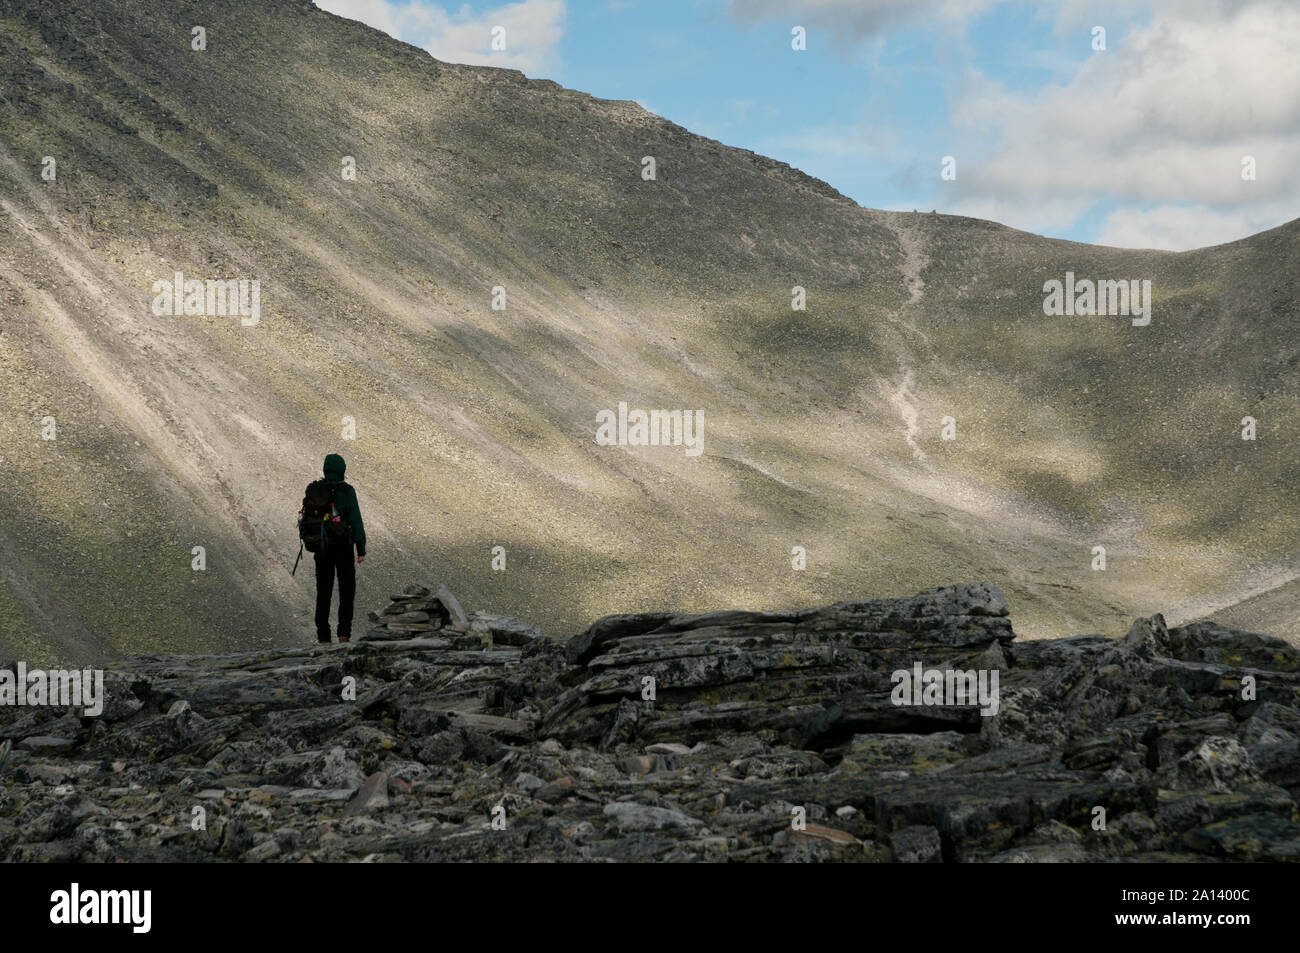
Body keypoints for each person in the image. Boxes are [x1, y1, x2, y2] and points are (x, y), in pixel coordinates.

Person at [306, 453, 367, 643]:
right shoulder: (347, 491)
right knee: (346, 591)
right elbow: (356, 520)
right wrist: (361, 549)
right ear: (342, 470)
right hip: (344, 548)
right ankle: (344, 635)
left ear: (325, 469)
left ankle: (323, 637)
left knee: (323, 591)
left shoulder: (314, 489)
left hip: (322, 548)